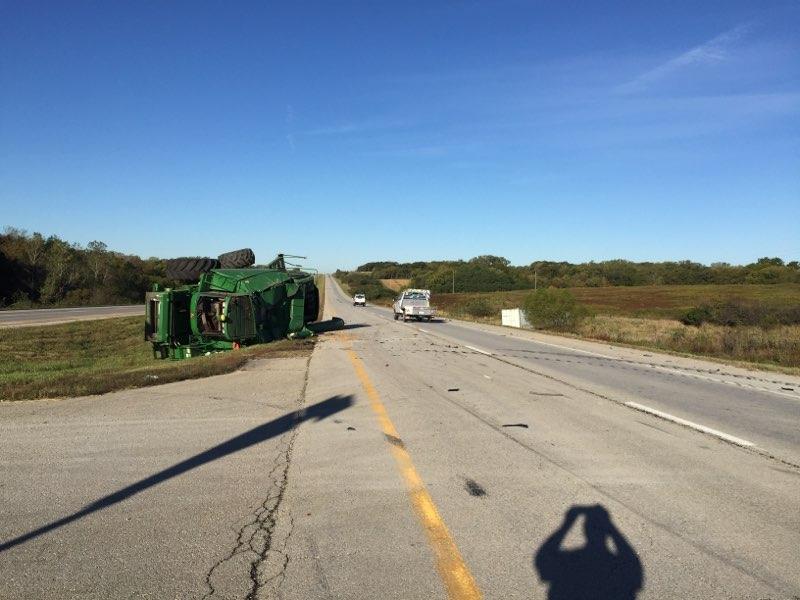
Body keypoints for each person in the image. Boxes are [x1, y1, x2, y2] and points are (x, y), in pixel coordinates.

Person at [535, 504, 643, 599]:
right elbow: (631, 561)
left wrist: (568, 523)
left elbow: (544, 556)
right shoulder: (617, 564)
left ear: (585, 531)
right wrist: (610, 526)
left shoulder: (571, 560)